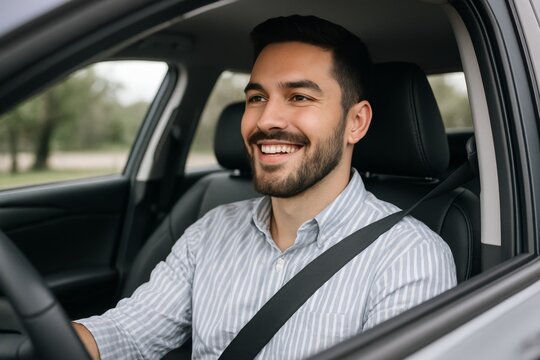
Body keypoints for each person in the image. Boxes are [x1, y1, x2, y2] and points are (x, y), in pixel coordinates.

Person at [74, 15, 456, 359]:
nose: (267, 119)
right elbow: (128, 333)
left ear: (356, 122)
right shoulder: (211, 231)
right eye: (256, 97)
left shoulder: (409, 257)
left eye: (299, 97)